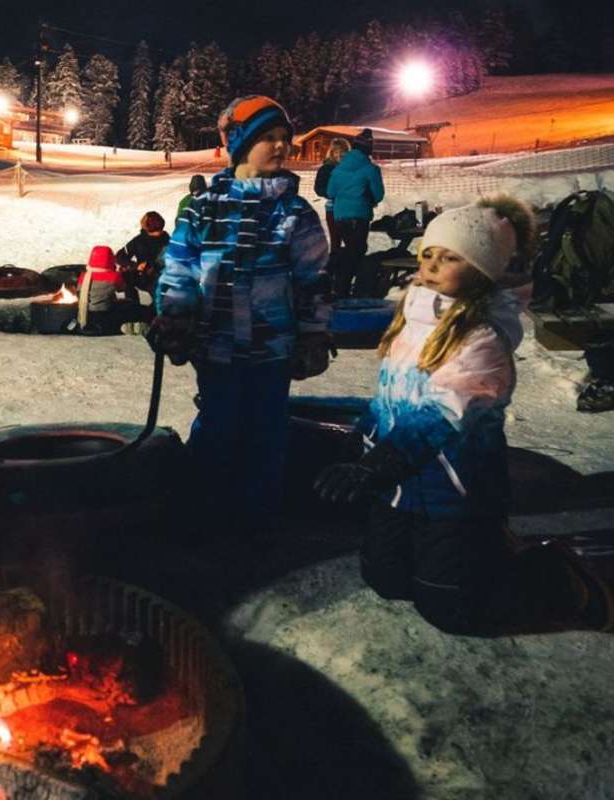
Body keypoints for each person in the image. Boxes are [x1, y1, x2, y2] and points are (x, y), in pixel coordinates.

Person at [315, 196, 613, 634]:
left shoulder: (483, 340)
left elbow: (441, 416)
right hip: (400, 483)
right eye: (429, 254)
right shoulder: (413, 320)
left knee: (450, 611)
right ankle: (471, 557)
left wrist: (379, 463)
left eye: (450, 257)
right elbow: (389, 395)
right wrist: (362, 437)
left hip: (453, 489)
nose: (432, 264)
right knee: (386, 580)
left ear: (479, 270)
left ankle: (555, 575)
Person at [148, 95, 332, 534]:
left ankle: (257, 521)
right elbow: (179, 267)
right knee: (217, 426)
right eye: (268, 138)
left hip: (272, 350)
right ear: (239, 143)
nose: (281, 147)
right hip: (215, 346)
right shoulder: (203, 207)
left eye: (285, 139)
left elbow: (314, 279)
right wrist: (174, 318)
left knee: (266, 433)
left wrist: (314, 333)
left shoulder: (294, 212)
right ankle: (206, 514)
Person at [327, 128, 385, 298]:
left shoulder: (337, 170)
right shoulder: (371, 169)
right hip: (359, 216)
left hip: (339, 217)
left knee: (353, 250)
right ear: (369, 149)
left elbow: (330, 192)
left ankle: (342, 287)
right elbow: (379, 195)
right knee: (357, 251)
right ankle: (344, 290)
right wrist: (368, 197)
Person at [74, 244, 148, 335]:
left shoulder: (83, 276)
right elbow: (122, 289)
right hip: (105, 314)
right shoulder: (114, 276)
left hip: (87, 314)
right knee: (133, 305)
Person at [115, 210, 169, 310]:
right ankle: (132, 307)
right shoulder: (139, 240)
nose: (158, 234)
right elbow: (120, 256)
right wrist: (135, 266)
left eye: (159, 230)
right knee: (126, 275)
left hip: (162, 277)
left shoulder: (167, 240)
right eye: (155, 232)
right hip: (143, 276)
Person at [313, 137, 350, 259]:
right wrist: (332, 193)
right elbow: (318, 188)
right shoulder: (326, 168)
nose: (339, 154)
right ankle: (334, 272)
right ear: (332, 152)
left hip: (351, 210)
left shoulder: (351, 168)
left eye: (342, 151)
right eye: (336, 151)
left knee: (354, 244)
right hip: (333, 209)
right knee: (336, 242)